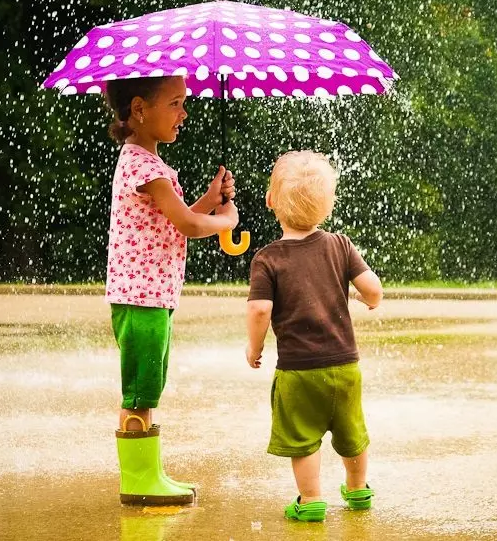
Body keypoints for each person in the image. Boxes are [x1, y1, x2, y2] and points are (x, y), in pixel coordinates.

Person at [105, 75, 239, 505]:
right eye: (176, 104)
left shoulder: (147, 163)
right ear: (140, 109)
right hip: (142, 299)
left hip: (150, 297)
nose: (184, 113)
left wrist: (210, 198)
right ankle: (139, 481)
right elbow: (188, 224)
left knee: (148, 387)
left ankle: (148, 473)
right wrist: (226, 222)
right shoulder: (144, 167)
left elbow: (176, 217)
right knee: (141, 389)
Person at [246, 150, 383, 522]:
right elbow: (372, 287)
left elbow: (260, 310)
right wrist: (367, 298)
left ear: (271, 201)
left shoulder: (267, 259)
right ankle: (357, 491)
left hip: (297, 371)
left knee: (303, 437)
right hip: (345, 365)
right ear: (328, 205)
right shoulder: (340, 244)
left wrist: (253, 347)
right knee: (351, 430)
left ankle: (311, 500)